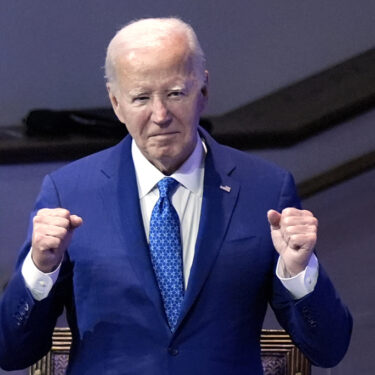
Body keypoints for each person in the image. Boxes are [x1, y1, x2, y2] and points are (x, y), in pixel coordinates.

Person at [0, 17, 352, 375]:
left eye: (175, 93)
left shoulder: (265, 188)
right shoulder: (69, 191)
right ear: (116, 103)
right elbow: (11, 353)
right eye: (140, 98)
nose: (160, 115)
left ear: (203, 90)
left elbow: (328, 349)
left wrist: (298, 272)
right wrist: (39, 270)